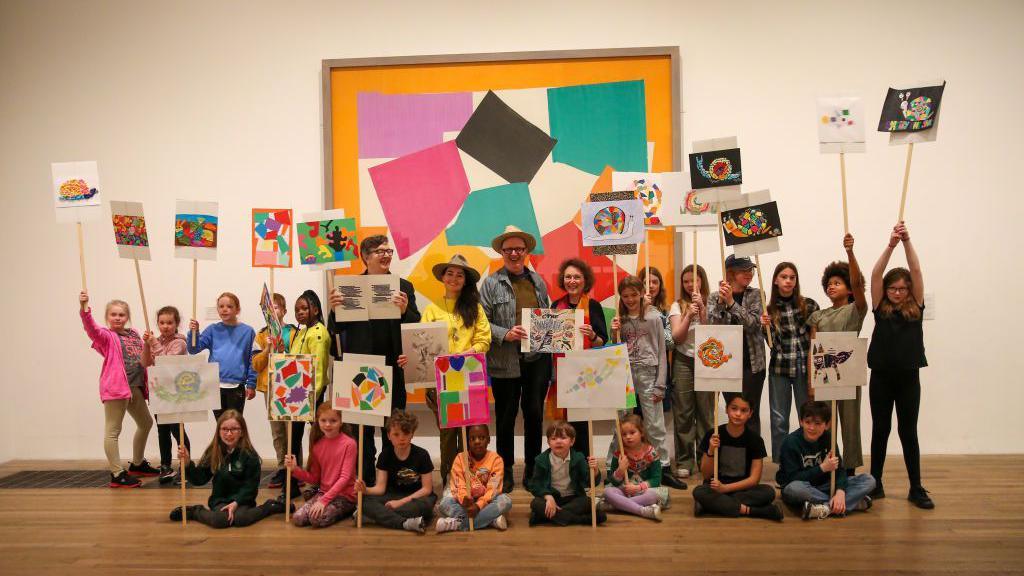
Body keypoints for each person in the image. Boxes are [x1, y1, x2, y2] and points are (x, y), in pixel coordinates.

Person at [328, 235, 421, 485]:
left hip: (393, 369)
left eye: (388, 251)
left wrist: (404, 311)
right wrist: (334, 309)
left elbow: (416, 326)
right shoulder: (349, 286)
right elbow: (334, 330)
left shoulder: (403, 286)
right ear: (366, 257)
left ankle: (390, 480)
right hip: (360, 369)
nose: (386, 255)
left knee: (393, 428)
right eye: (380, 251)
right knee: (362, 430)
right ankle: (365, 481)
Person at [398, 254, 489, 487]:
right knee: (448, 433)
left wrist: (467, 352)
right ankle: (450, 479)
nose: (454, 278)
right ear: (443, 277)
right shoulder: (431, 309)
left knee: (471, 432)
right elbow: (422, 344)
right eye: (450, 273)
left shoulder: (475, 308)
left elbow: (484, 339)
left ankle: (472, 479)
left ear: (466, 280)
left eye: (460, 275)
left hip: (468, 378)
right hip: (441, 383)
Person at [480, 225, 551, 492]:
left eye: (519, 249)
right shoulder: (490, 283)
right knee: (506, 416)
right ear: (501, 252)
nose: (514, 253)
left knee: (534, 415)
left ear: (526, 252)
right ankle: (506, 469)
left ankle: (533, 468)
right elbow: (482, 323)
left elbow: (547, 317)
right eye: (508, 249)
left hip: (536, 359)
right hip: (504, 362)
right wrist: (505, 333)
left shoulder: (539, 281)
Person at [868, 221, 933, 509]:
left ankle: (916, 487)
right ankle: (875, 483)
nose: (897, 292)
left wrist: (906, 242)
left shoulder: (916, 307)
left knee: (908, 431)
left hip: (908, 378)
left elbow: (916, 271)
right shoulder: (880, 307)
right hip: (881, 378)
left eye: (902, 289)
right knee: (880, 429)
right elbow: (875, 273)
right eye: (893, 288)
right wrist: (890, 245)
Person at [78, 290, 157, 488]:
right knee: (113, 430)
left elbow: (145, 362)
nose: (117, 318)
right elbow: (91, 329)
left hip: (135, 387)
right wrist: (84, 308)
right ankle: (117, 473)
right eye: (113, 314)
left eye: (121, 314)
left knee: (146, 423)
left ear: (127, 317)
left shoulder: (134, 334)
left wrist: (148, 344)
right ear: (107, 317)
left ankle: (137, 464)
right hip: (116, 388)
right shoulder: (106, 335)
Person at [807, 234, 868, 476]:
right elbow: (814, 349)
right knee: (825, 422)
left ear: (849, 289)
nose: (831, 286)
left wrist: (850, 253)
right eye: (828, 284)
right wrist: (812, 382)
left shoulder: (856, 310)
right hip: (825, 375)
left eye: (837, 283)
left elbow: (859, 285)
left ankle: (850, 469)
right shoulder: (818, 316)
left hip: (849, 374)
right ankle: (828, 465)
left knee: (850, 423)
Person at [170, 410, 287, 527]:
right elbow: (200, 479)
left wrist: (236, 503)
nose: (229, 434)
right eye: (225, 429)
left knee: (241, 519)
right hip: (220, 500)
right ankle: (195, 511)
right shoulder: (213, 452)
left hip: (243, 500)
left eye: (234, 429)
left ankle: (269, 507)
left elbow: (250, 486)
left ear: (242, 432)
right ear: (219, 431)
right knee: (220, 520)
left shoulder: (250, 455)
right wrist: (187, 463)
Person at [608, 276, 672, 480]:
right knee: (621, 422)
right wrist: (613, 331)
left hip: (648, 374)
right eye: (625, 296)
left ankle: (662, 466)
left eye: (634, 295)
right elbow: (614, 348)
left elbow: (662, 351)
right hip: (625, 375)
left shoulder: (654, 318)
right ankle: (614, 466)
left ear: (642, 293)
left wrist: (661, 384)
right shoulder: (621, 318)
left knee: (654, 423)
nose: (630, 299)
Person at [548, 258, 608, 455]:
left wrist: (592, 335)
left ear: (585, 280)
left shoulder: (593, 306)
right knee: (562, 426)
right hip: (562, 375)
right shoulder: (555, 306)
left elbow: (602, 341)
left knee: (582, 424)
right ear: (563, 280)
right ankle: (563, 467)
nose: (572, 281)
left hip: (585, 375)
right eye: (568, 277)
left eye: (576, 277)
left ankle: (585, 467)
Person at [777, 400, 876, 520]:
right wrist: (822, 468)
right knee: (794, 489)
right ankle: (848, 503)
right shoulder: (790, 442)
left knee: (868, 480)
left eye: (818, 423)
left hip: (826, 486)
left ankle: (825, 508)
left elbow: (839, 469)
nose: (812, 428)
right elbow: (791, 478)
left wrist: (840, 492)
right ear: (801, 422)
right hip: (803, 487)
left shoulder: (828, 437)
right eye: (808, 422)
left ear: (827, 425)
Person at [761, 262, 819, 462]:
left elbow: (815, 339)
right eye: (784, 277)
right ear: (776, 280)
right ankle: (781, 464)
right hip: (780, 369)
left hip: (805, 370)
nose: (788, 280)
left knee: (809, 418)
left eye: (792, 277)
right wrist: (765, 326)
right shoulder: (768, 310)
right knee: (779, 420)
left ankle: (808, 459)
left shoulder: (809, 305)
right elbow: (771, 344)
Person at [692, 394, 783, 521]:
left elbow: (754, 479)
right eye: (734, 408)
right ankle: (755, 511)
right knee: (699, 491)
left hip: (741, 489)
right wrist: (711, 450)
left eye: (744, 410)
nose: (738, 414)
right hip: (716, 486)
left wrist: (726, 489)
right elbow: (706, 475)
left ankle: (711, 506)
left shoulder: (756, 440)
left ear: (750, 413)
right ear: (727, 409)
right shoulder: (714, 434)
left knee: (768, 492)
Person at [708, 255, 767, 435]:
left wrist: (731, 303)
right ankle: (735, 457)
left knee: (750, 413)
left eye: (751, 269)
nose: (749, 273)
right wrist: (721, 303)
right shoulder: (714, 297)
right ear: (731, 272)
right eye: (744, 270)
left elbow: (752, 324)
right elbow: (713, 328)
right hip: (726, 364)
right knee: (733, 411)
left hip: (753, 365)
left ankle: (753, 459)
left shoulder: (757, 294)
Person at [356, 410, 436, 533]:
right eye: (396, 434)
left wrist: (399, 503)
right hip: (392, 495)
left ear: (412, 434)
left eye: (406, 433)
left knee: (424, 506)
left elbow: (426, 489)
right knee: (363, 501)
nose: (401, 438)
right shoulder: (385, 455)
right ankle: (404, 523)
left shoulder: (422, 454)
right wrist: (365, 490)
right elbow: (380, 488)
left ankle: (377, 516)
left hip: (416, 498)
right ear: (388, 435)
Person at [668, 264, 713, 481]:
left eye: (693, 280)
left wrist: (702, 309)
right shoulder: (676, 305)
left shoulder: (712, 302)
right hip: (683, 360)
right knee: (684, 413)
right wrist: (687, 315)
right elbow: (677, 338)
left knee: (706, 413)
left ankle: (706, 459)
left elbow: (711, 333)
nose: (689, 284)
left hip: (707, 360)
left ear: (701, 280)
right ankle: (685, 460)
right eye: (685, 281)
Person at [284, 289, 330, 497]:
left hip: (310, 394)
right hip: (296, 391)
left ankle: (321, 482)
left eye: (304, 308)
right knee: (293, 438)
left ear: (316, 310)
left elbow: (318, 370)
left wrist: (311, 397)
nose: (300, 312)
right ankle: (291, 483)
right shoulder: (301, 332)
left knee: (318, 440)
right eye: (297, 309)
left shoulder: (318, 333)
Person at [251, 292, 297, 489]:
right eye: (269, 308)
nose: (273, 311)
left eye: (276, 307)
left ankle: (295, 469)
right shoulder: (261, 335)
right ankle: (281, 468)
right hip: (270, 387)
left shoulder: (295, 332)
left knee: (292, 430)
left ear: (284, 310)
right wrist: (267, 349)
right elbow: (255, 365)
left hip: (291, 386)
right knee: (277, 431)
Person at [286, 404, 357, 528]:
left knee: (316, 519)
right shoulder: (317, 446)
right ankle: (320, 501)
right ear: (317, 421)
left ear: (341, 422)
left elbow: (345, 478)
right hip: (324, 492)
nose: (328, 425)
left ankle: (350, 508)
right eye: (323, 420)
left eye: (333, 421)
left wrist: (323, 501)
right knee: (298, 518)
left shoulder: (349, 444)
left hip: (345, 496)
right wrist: (295, 470)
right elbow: (315, 479)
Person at [141, 305, 190, 484]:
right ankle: (166, 466)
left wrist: (154, 343)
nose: (166, 326)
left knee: (178, 431)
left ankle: (186, 467)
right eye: (162, 323)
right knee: (162, 431)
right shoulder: (157, 340)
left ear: (176, 324)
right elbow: (146, 363)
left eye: (170, 322)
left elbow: (165, 364)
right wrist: (147, 345)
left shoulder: (180, 342)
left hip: (176, 393)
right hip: (159, 392)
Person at [187, 293, 256, 418]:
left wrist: (251, 384)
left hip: (236, 386)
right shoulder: (212, 330)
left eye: (229, 306)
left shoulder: (248, 331)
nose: (224, 309)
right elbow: (193, 349)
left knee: (234, 425)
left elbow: (253, 359)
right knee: (221, 426)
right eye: (221, 306)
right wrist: (194, 332)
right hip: (214, 385)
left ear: (237, 310)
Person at [435, 424, 512, 533]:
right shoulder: (460, 458)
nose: (477, 441)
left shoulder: (496, 460)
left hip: (486, 501)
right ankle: (490, 520)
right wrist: (464, 499)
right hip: (466, 502)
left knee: (506, 501)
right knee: (443, 504)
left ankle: (457, 523)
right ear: (468, 441)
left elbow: (493, 489)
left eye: (481, 438)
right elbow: (458, 484)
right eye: (472, 438)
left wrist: (478, 506)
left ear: (488, 440)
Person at [527, 420, 605, 526]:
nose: (558, 441)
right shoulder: (541, 460)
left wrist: (595, 470)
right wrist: (548, 497)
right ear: (548, 442)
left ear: (572, 441)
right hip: (552, 497)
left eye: (563, 438)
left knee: (587, 501)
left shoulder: (579, 458)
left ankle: (546, 517)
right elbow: (535, 485)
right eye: (554, 438)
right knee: (535, 503)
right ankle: (581, 520)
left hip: (572, 497)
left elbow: (589, 483)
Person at [602, 414, 668, 521]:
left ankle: (617, 505)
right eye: (624, 434)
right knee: (608, 492)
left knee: (652, 496)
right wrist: (620, 471)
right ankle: (642, 510)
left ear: (641, 432)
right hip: (624, 490)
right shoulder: (619, 455)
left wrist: (638, 488)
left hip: (644, 491)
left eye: (632, 433)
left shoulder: (651, 453)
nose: (628, 437)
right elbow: (613, 481)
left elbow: (656, 479)